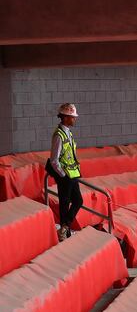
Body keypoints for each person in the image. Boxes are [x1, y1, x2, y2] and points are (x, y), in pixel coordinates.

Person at [46, 103, 82, 241]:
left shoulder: (68, 133)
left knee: (78, 201)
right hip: (66, 176)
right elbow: (54, 159)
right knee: (64, 203)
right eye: (72, 117)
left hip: (73, 174)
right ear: (66, 117)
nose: (74, 119)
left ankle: (65, 227)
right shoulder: (59, 135)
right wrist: (62, 175)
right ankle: (64, 231)